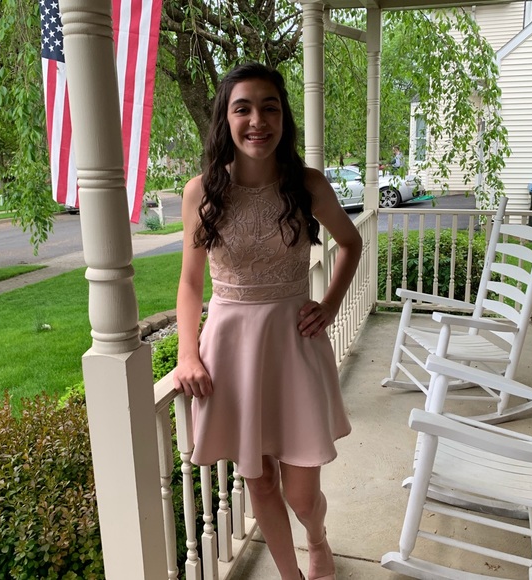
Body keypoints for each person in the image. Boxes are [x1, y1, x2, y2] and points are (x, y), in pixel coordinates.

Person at [173, 62, 362, 580]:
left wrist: (331, 305)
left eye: (269, 107)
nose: (257, 120)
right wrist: (187, 353)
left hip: (293, 348)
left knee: (301, 492)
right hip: (232, 351)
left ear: (283, 118)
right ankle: (291, 574)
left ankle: (317, 537)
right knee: (258, 481)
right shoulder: (201, 192)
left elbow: (351, 243)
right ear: (225, 119)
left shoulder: (308, 185)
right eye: (243, 108)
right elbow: (190, 283)